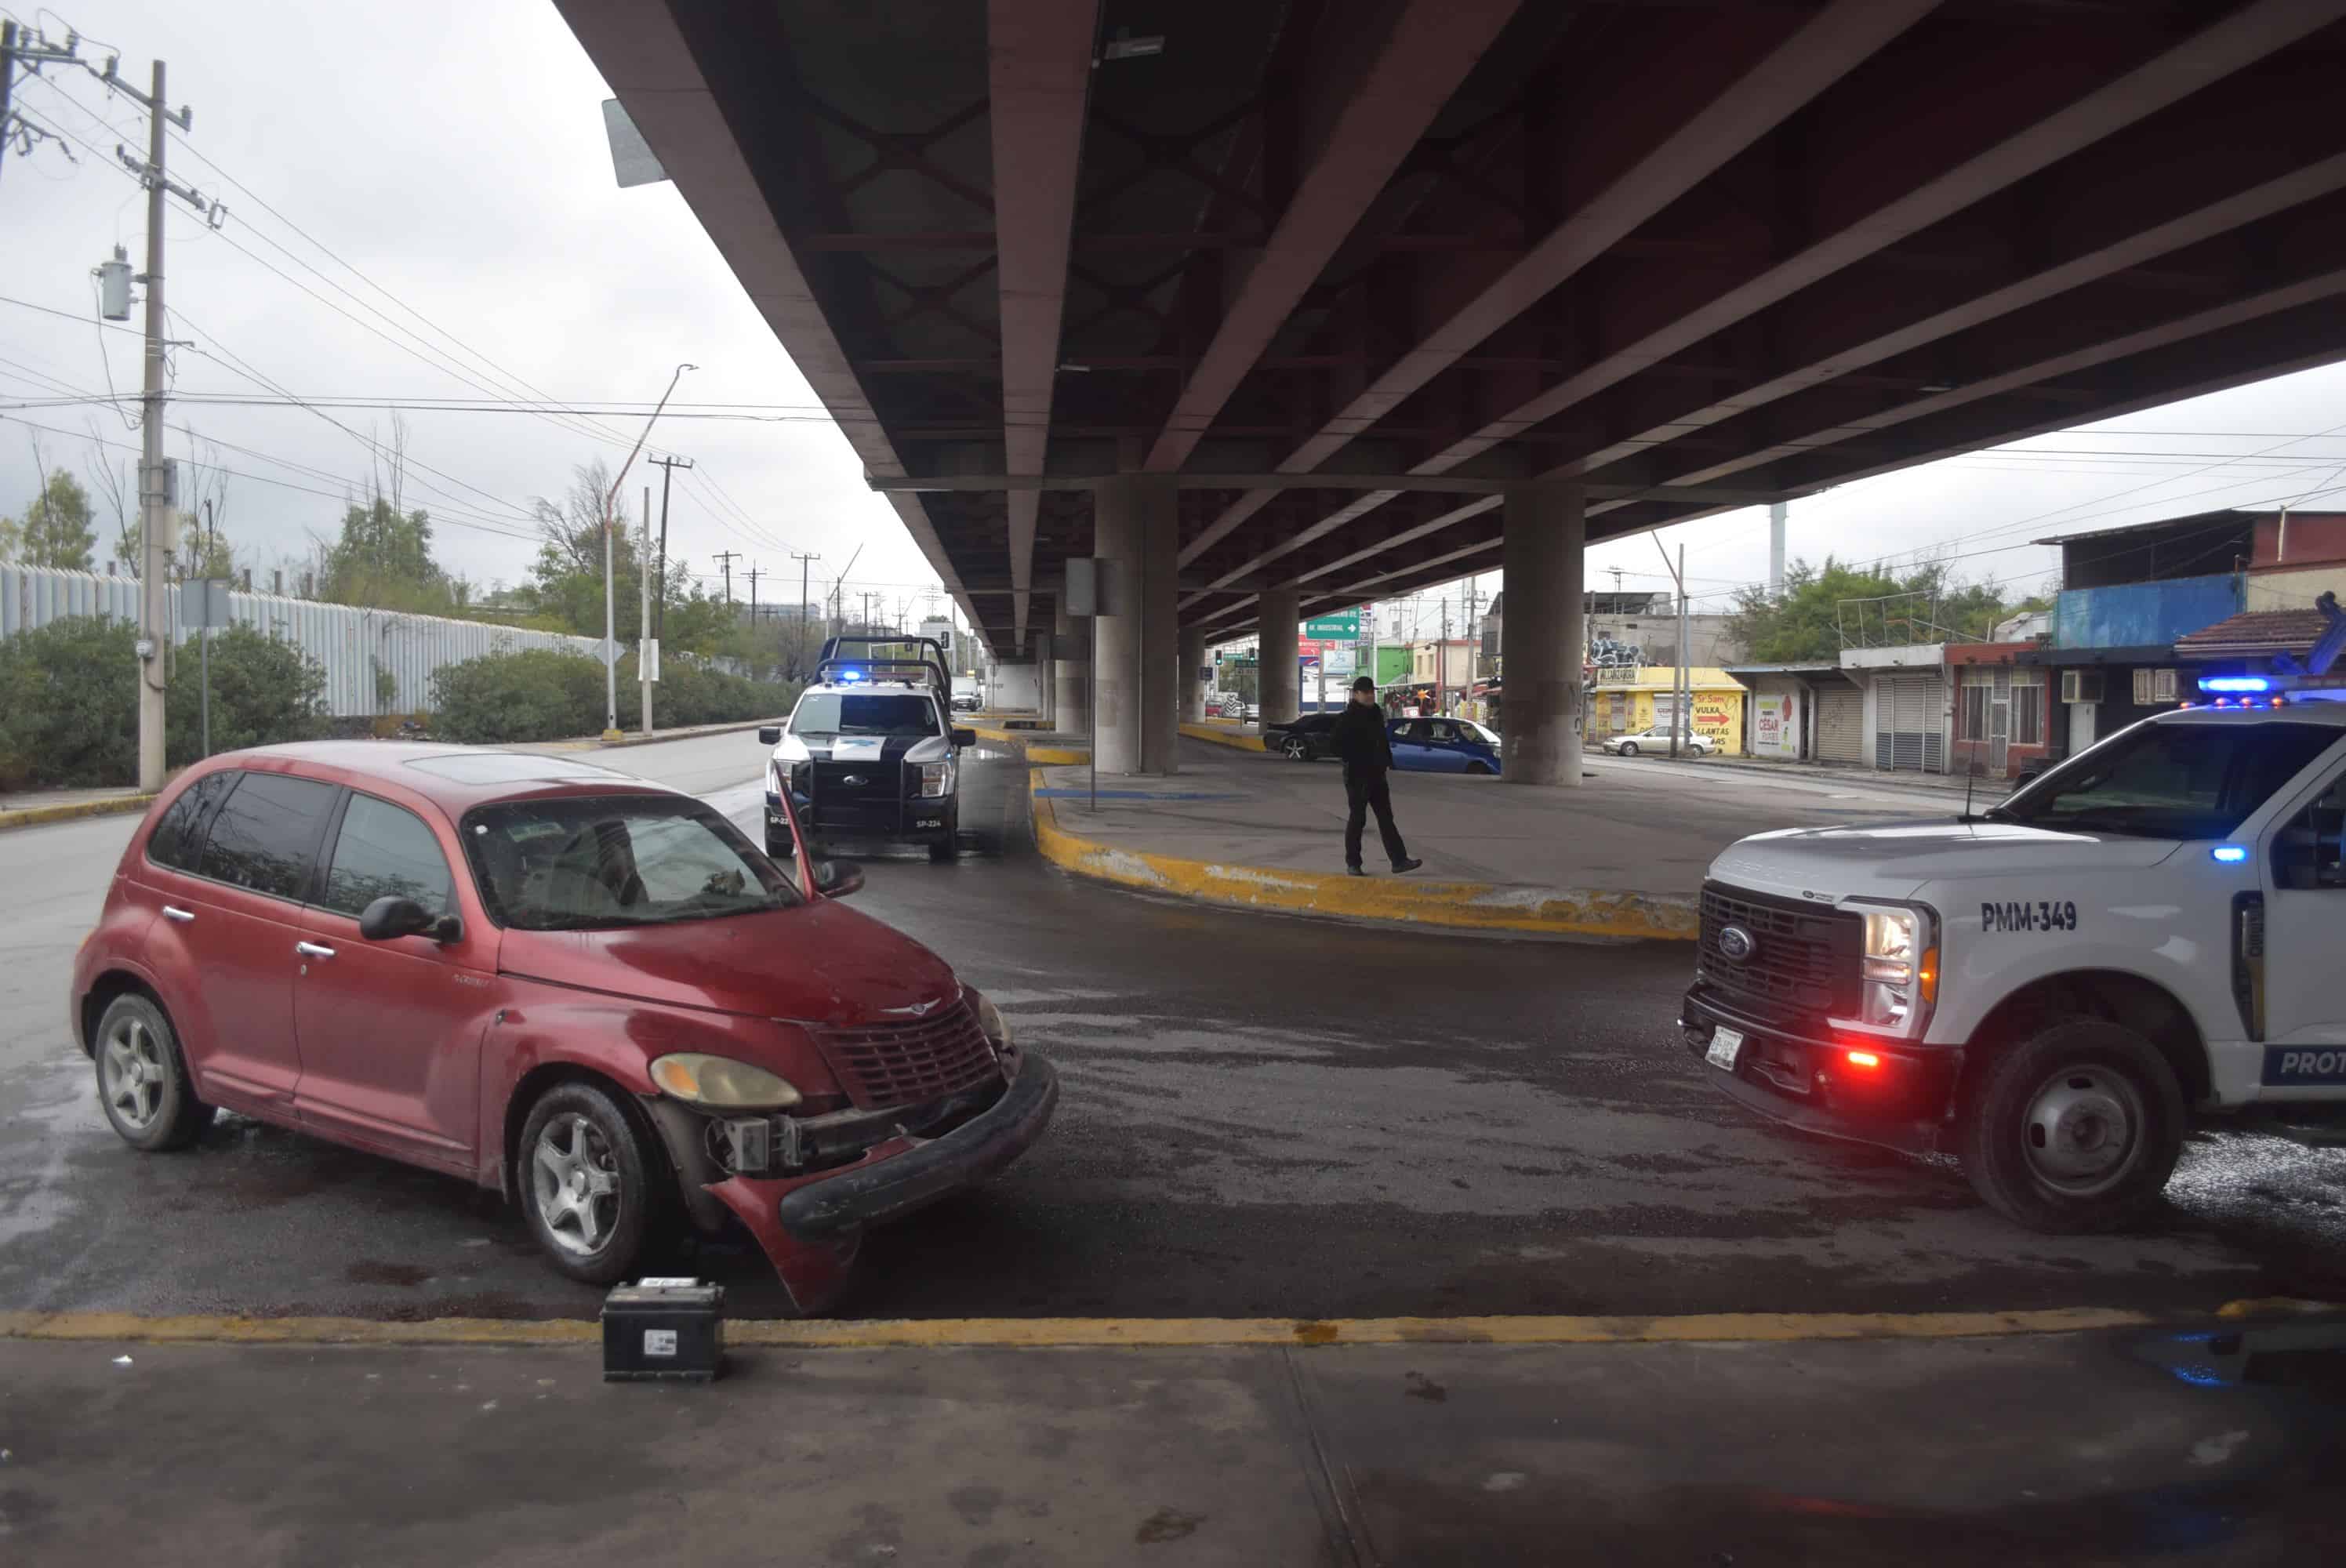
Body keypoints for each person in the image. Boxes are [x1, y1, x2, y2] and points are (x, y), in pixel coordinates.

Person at [1331, 675, 1422, 876]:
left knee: (1386, 818)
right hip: (1357, 775)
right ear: (1356, 695)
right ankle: (1353, 863)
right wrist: (1357, 757)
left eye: (1372, 691)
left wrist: (1386, 761)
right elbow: (1336, 746)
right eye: (1366, 692)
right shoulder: (1347, 718)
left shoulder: (1376, 714)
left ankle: (1399, 861)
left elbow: (1381, 741)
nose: (1370, 695)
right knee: (1358, 819)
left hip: (1377, 775)